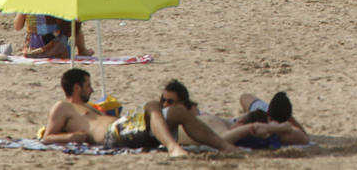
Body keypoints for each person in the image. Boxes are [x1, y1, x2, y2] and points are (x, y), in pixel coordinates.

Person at [41, 70, 236, 156]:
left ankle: (226, 147)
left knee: (177, 112)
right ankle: (172, 147)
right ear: (76, 88)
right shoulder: (62, 106)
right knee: (152, 104)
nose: (91, 90)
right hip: (113, 135)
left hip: (126, 128)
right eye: (88, 86)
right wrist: (72, 136)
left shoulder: (89, 107)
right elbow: (47, 138)